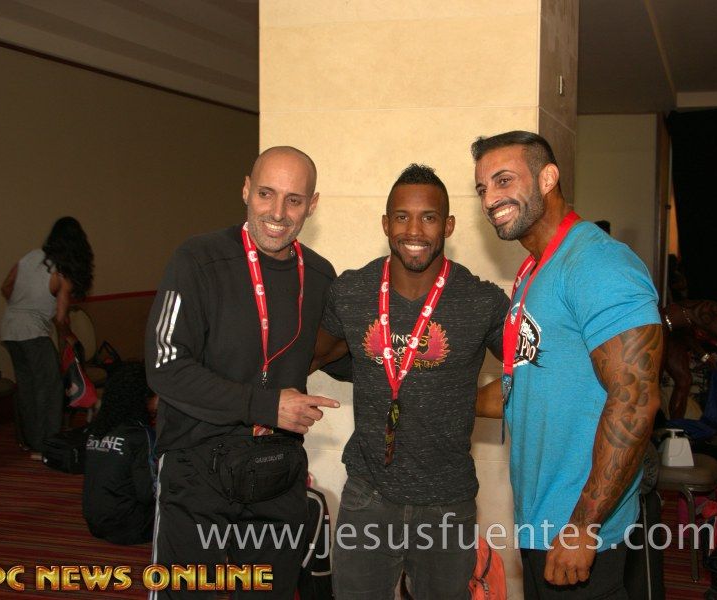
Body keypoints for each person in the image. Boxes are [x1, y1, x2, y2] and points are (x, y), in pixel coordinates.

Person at [471, 131, 662, 599]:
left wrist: (583, 526)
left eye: (503, 180)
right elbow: (526, 385)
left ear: (548, 178)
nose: (490, 199)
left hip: (578, 526)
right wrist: (439, 402)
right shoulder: (535, 270)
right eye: (482, 188)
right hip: (541, 519)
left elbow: (635, 400)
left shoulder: (597, 263)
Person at [144, 146, 341, 599]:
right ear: (246, 190)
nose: (278, 212)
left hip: (277, 470)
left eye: (294, 199)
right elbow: (166, 366)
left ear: (312, 205)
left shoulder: (319, 275)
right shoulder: (198, 259)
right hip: (196, 467)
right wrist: (266, 405)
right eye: (266, 194)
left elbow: (332, 354)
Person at [311, 164, 510, 600]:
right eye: (402, 217)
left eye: (429, 217)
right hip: (368, 497)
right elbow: (313, 356)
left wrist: (473, 401)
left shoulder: (481, 301)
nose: (414, 230)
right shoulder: (352, 291)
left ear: (448, 226)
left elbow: (532, 372)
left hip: (448, 503)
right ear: (386, 224)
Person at [0, 216, 94, 456]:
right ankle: (48, 444)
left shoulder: (31, 257)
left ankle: (28, 439)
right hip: (33, 333)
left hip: (10, 329)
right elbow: (61, 318)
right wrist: (68, 336)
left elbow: (6, 286)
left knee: (27, 387)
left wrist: (21, 306)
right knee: (50, 388)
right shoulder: (63, 272)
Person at [83, 361, 156, 545]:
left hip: (94, 522)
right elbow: (148, 492)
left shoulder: (97, 429)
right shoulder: (140, 435)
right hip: (129, 527)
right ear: (143, 398)